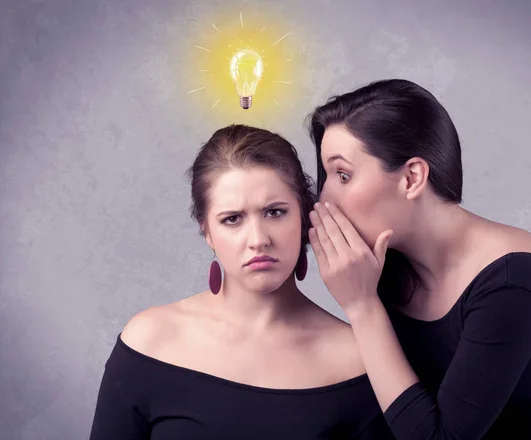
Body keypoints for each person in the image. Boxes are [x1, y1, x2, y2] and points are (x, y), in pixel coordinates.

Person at [306, 79, 531, 439]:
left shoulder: (514, 279)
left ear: (412, 178)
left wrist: (362, 307)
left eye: (343, 175)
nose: (325, 198)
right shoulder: (386, 264)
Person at [89, 124, 394, 440]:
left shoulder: (357, 359)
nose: (258, 240)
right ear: (207, 230)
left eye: (275, 212)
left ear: (304, 217)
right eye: (232, 219)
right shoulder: (150, 340)